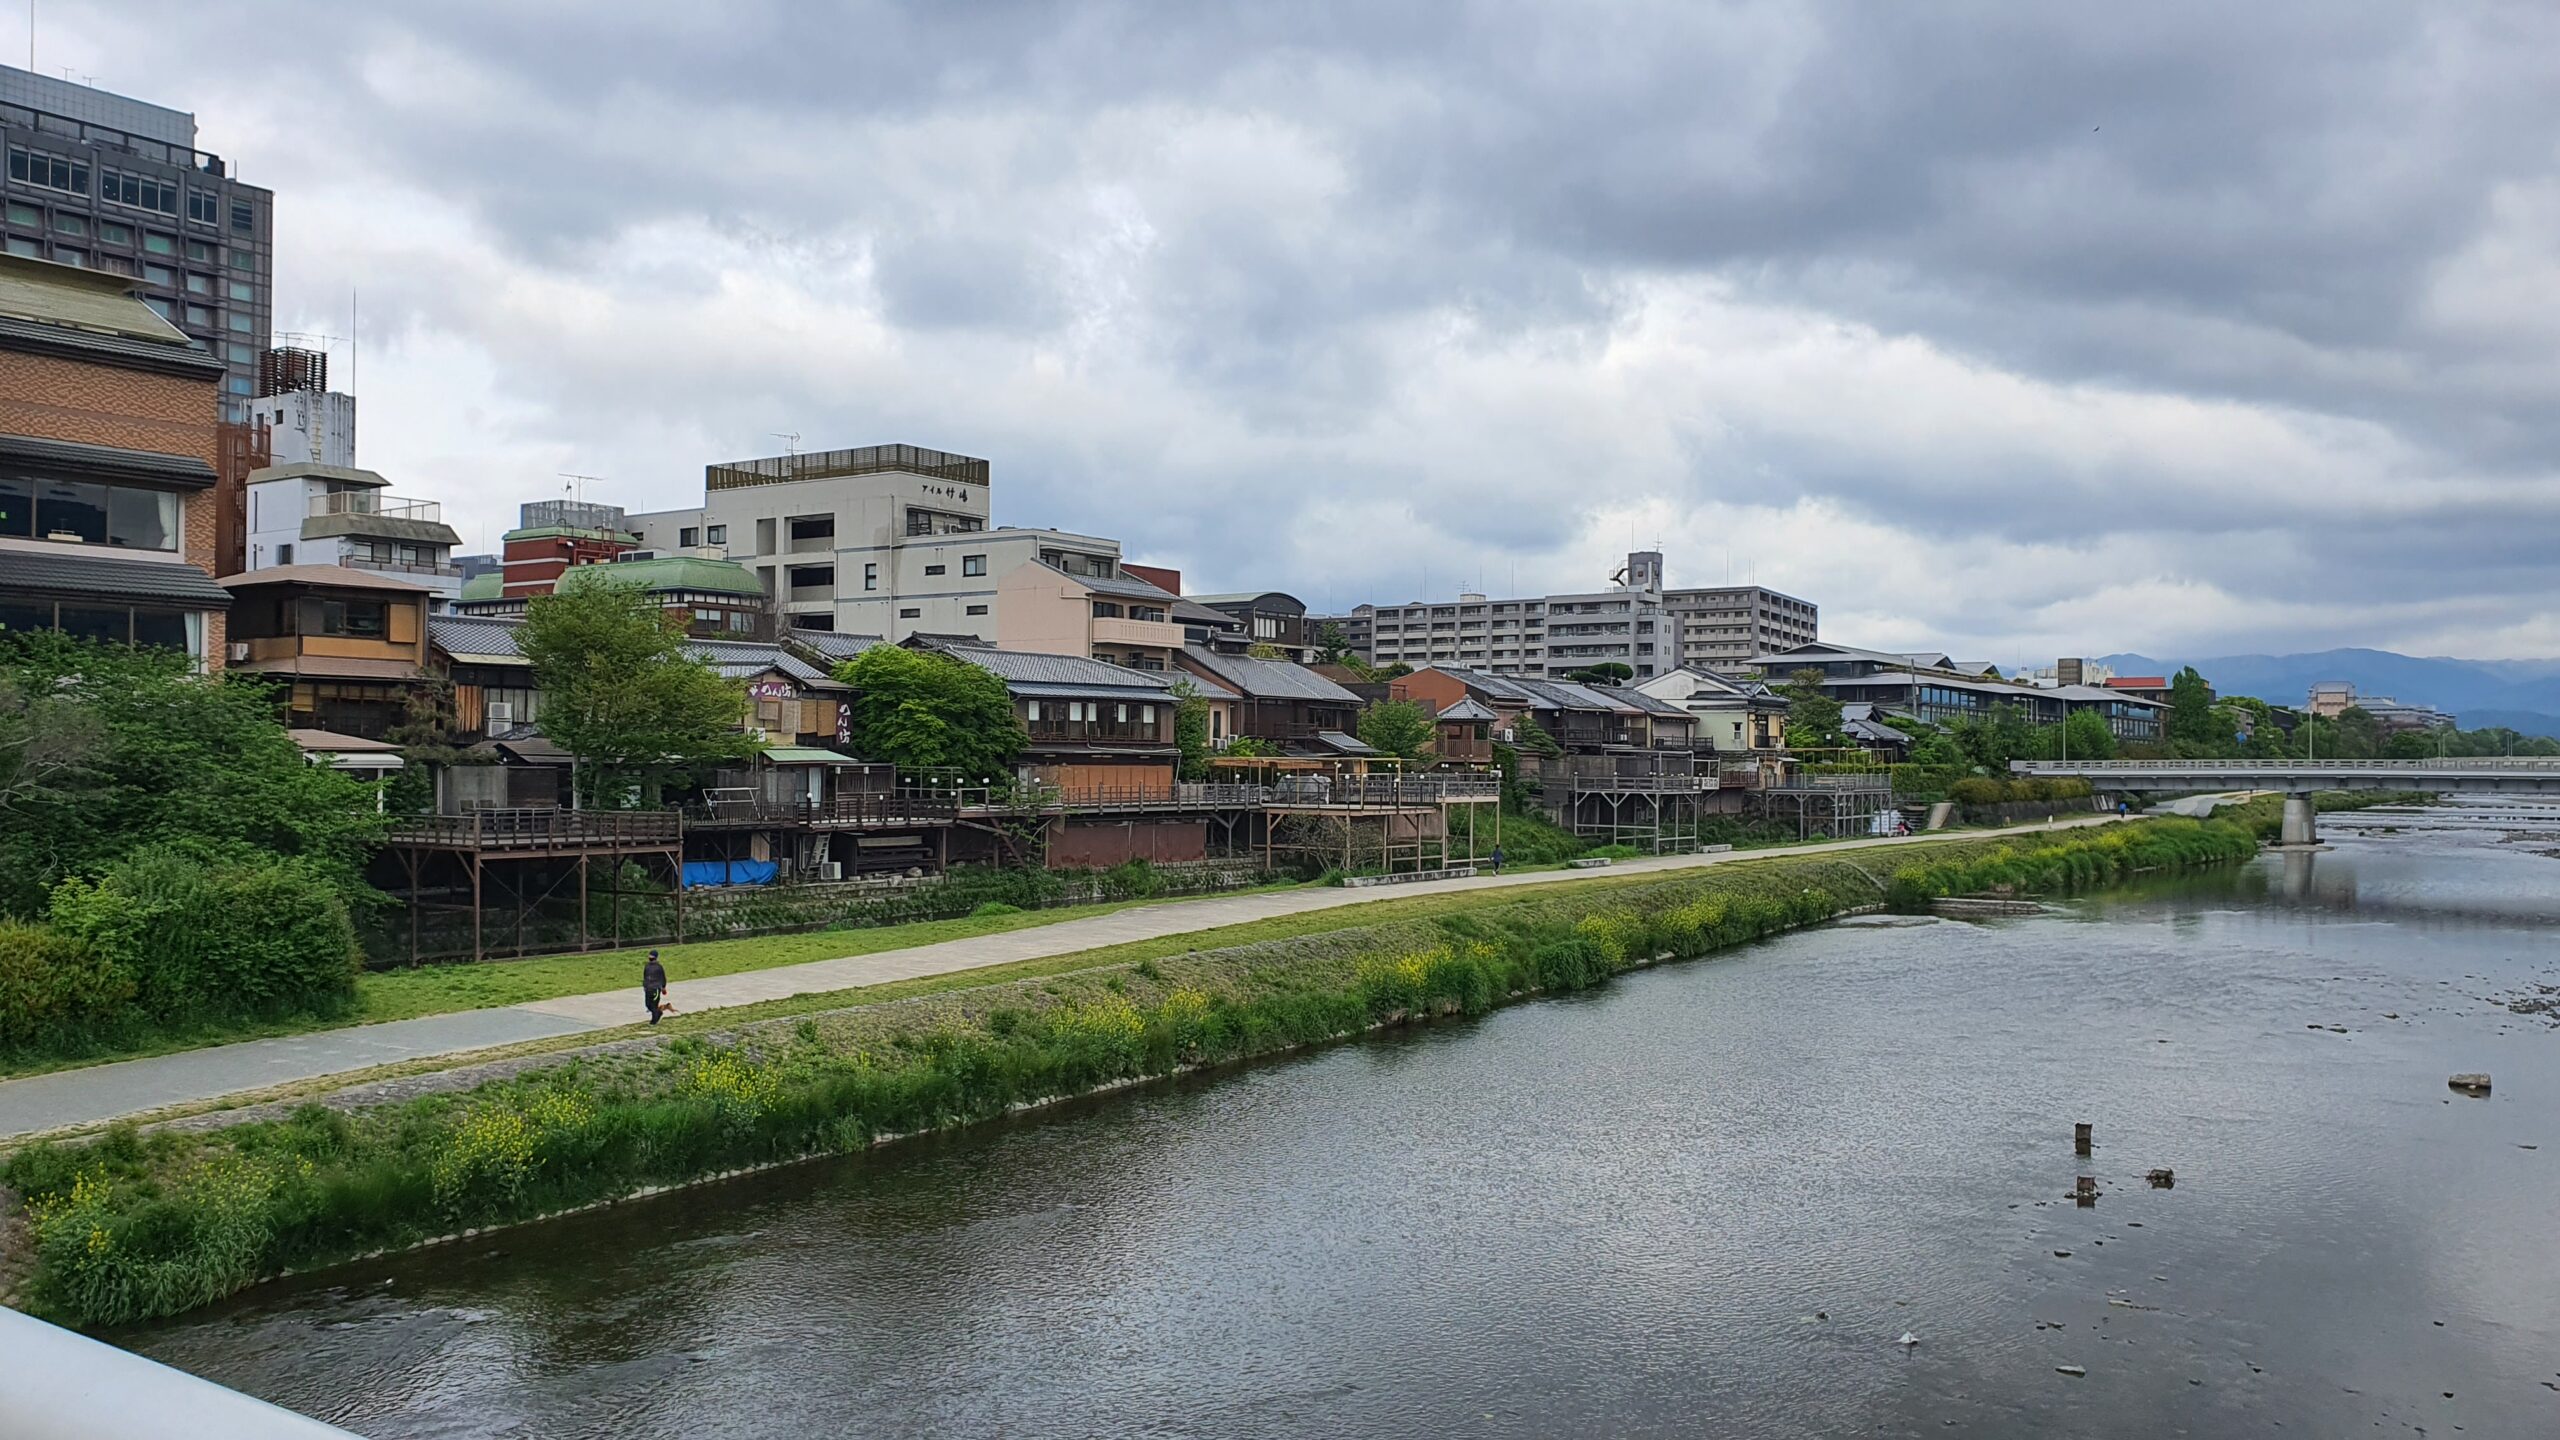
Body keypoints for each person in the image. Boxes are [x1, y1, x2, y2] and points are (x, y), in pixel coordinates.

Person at [643, 950, 673, 1024]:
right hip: (648, 988)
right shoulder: (647, 966)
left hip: (656, 989)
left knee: (653, 1005)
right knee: (648, 1004)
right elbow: (645, 977)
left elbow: (663, 977)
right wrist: (644, 985)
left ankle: (654, 1021)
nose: (650, 957)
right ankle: (659, 1013)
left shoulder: (659, 967)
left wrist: (663, 987)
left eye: (652, 956)